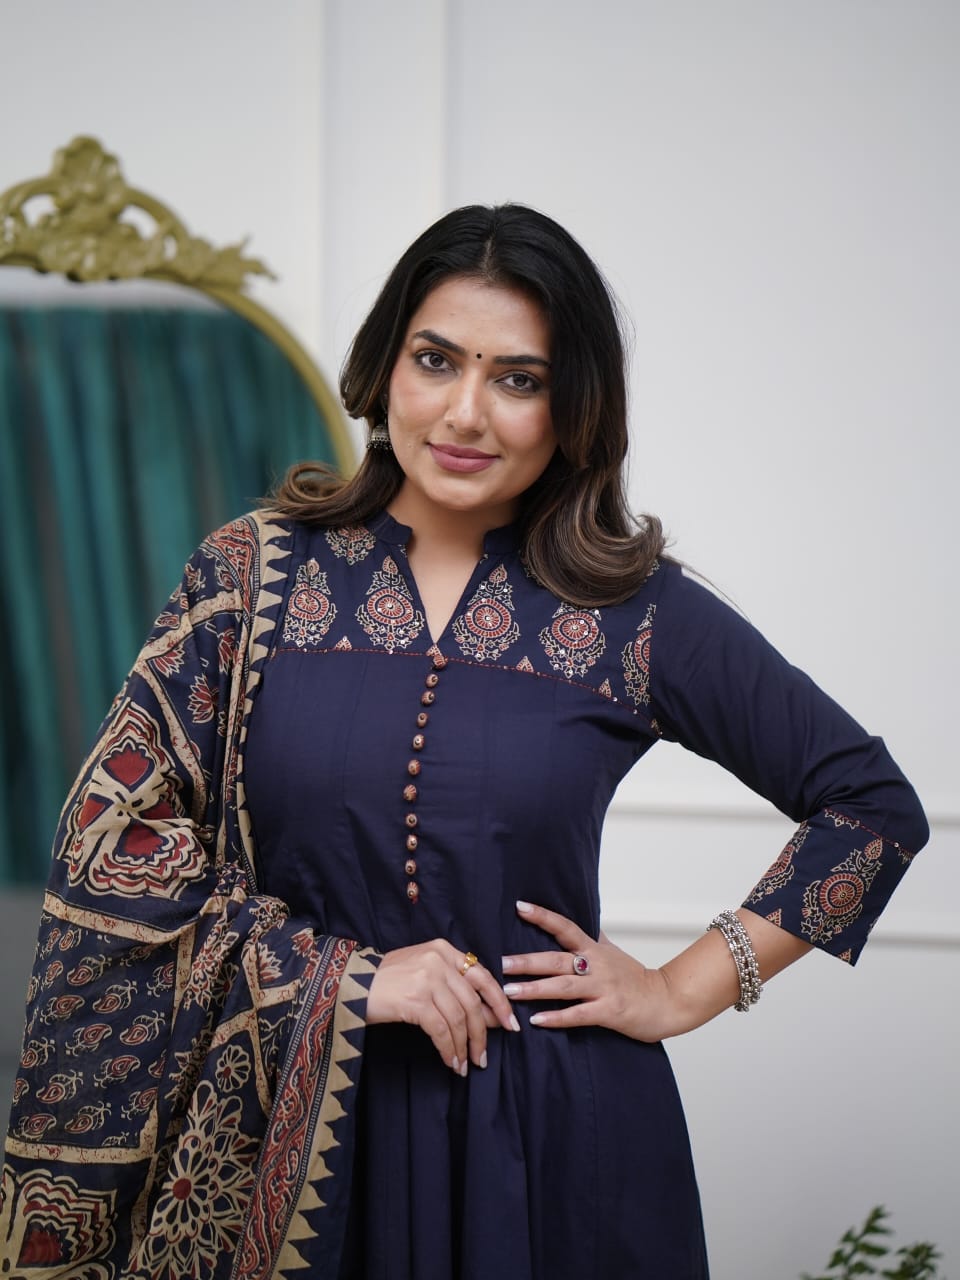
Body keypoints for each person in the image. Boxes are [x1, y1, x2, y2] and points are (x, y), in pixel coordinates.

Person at [1, 204, 927, 1280]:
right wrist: (343, 979)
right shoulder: (251, 575)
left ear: (573, 408)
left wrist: (685, 987)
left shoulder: (633, 612)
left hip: (553, 1136)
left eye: (519, 379)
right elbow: (110, 839)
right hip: (287, 1141)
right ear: (385, 367)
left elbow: (872, 806)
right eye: (435, 360)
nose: (466, 413)